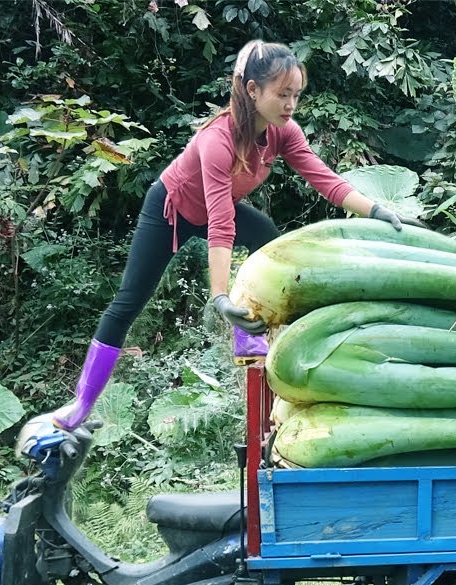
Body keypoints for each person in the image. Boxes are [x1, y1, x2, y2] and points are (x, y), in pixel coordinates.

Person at [48, 40, 408, 431]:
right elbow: (221, 222)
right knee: (127, 303)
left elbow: (324, 179)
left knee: (269, 239)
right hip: (171, 208)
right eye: (282, 94)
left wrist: (375, 209)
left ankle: (249, 336)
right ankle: (81, 404)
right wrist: (219, 297)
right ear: (253, 90)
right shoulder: (217, 140)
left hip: (213, 209)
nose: (291, 105)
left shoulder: (282, 132)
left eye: (296, 95)